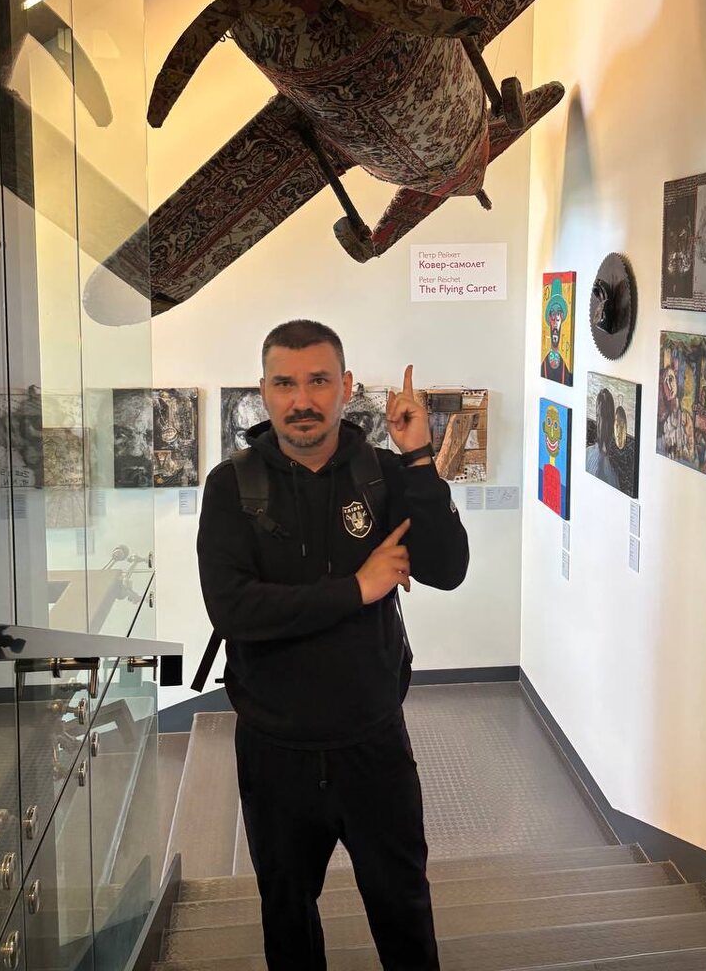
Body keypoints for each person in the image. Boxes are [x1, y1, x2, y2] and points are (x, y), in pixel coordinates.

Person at [197, 319, 469, 970]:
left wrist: (420, 458)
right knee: (287, 913)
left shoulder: (382, 474)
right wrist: (357, 588)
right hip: (275, 752)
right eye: (285, 383)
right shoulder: (233, 487)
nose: (303, 400)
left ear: (346, 387)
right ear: (264, 390)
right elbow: (234, 609)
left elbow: (448, 567)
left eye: (319, 381)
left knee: (403, 909)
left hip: (372, 744)